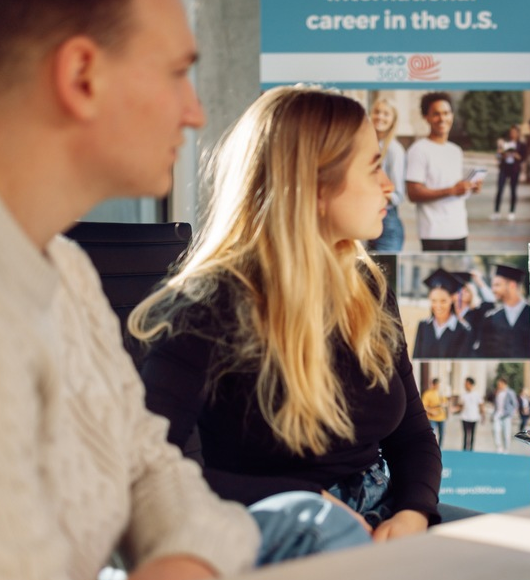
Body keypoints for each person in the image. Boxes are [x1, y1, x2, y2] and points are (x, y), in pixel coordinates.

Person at [0, 2, 368, 580]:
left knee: (316, 535)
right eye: (179, 72)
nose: (196, 111)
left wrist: (184, 566)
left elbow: (150, 464)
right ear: (82, 75)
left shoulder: (56, 263)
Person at [132, 86, 442, 541]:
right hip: (279, 536)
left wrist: (413, 513)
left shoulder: (368, 288)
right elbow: (147, 470)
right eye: (374, 167)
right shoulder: (206, 305)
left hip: (385, 519)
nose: (390, 186)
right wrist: (301, 499)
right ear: (316, 188)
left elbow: (413, 437)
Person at [406, 91, 482, 251]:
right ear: (426, 117)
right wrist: (452, 190)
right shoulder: (418, 150)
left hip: (459, 230)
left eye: (446, 113)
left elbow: (454, 189)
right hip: (434, 232)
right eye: (436, 114)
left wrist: (470, 188)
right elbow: (413, 193)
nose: (442, 118)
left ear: (452, 116)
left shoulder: (455, 150)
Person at [366, 98, 406, 253]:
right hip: (369, 220)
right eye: (377, 112)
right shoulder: (368, 145)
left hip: (387, 223)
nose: (380, 117)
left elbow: (398, 195)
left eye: (386, 114)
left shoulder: (394, 150)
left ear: (393, 119)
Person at [474, 264, 530, 359]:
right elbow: (482, 352)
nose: (493, 290)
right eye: (493, 286)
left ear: (512, 285)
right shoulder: (491, 318)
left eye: (497, 285)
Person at [412, 269, 474, 359]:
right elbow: (416, 357)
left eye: (443, 301)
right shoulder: (423, 326)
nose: (438, 306)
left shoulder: (463, 330)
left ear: (452, 299)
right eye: (434, 300)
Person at [491, 124, 524, 221]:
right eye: (511, 132)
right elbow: (498, 156)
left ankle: (512, 212)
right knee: (500, 190)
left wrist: (515, 154)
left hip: (514, 169)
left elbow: (523, 158)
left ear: (518, 133)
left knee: (513, 191)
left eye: (514, 132)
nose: (512, 134)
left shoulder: (521, 145)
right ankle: (496, 212)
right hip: (504, 169)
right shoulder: (505, 143)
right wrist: (501, 152)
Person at [492, 378, 519, 453]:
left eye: (499, 384)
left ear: (504, 384)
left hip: (506, 415)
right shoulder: (497, 392)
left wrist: (511, 413)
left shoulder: (510, 392)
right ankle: (499, 447)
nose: (498, 386)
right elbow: (496, 404)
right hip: (497, 415)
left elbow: (515, 404)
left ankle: (506, 449)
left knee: (506, 433)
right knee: (496, 430)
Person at [458, 377, 484, 451]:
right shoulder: (463, 395)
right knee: (465, 435)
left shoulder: (477, 394)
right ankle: (464, 450)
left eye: (466, 383)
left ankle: (471, 450)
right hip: (464, 417)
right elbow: (460, 406)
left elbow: (481, 405)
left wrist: (483, 416)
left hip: (474, 417)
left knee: (472, 435)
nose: (465, 385)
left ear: (471, 384)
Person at [423, 378, 449, 448]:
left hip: (442, 417)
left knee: (442, 434)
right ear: (433, 385)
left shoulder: (441, 394)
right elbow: (423, 406)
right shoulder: (427, 394)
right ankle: (432, 447)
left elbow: (446, 403)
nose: (438, 387)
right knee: (432, 434)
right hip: (432, 418)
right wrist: (432, 411)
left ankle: (440, 448)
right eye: (437, 385)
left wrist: (444, 404)